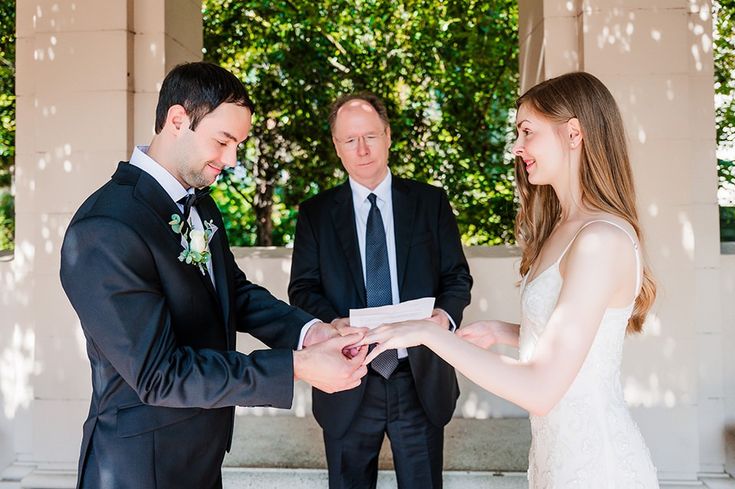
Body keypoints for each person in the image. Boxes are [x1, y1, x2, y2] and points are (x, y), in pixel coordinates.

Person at [59, 62, 366, 489]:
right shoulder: (105, 229)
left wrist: (311, 332)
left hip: (201, 457)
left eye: (238, 144)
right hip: (139, 467)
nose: (232, 159)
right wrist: (296, 366)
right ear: (178, 119)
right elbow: (159, 374)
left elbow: (233, 294)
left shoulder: (199, 203)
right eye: (223, 141)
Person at [360, 72, 660, 488]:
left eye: (527, 131)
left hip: (594, 468)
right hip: (554, 458)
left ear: (573, 133)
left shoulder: (599, 241)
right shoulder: (564, 227)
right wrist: (500, 331)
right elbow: (575, 345)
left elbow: (540, 388)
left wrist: (427, 335)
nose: (517, 148)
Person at [288, 93, 473, 489]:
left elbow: (457, 278)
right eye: (350, 140)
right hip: (348, 374)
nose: (362, 148)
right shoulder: (315, 214)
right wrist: (332, 323)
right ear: (337, 147)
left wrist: (442, 319)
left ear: (388, 136)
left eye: (371, 135)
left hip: (418, 376)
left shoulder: (430, 203)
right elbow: (302, 289)